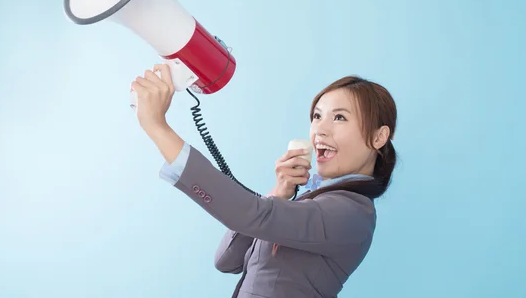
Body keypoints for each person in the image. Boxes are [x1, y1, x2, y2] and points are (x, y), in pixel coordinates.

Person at [131, 64, 398, 298]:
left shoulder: (350, 213)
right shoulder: (313, 202)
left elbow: (253, 215)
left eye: (339, 117)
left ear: (378, 137)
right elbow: (226, 260)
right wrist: (280, 192)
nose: (320, 129)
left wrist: (157, 127)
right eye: (317, 116)